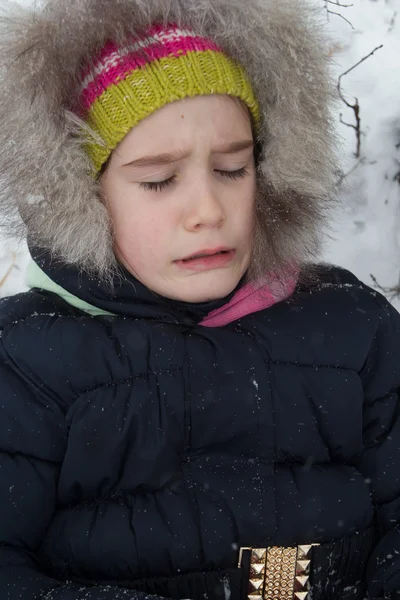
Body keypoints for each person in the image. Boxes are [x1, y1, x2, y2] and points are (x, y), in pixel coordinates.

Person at [0, 0, 399, 599]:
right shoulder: (30, 364)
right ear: (82, 196)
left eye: (233, 168)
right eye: (159, 180)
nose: (208, 211)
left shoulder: (354, 329)